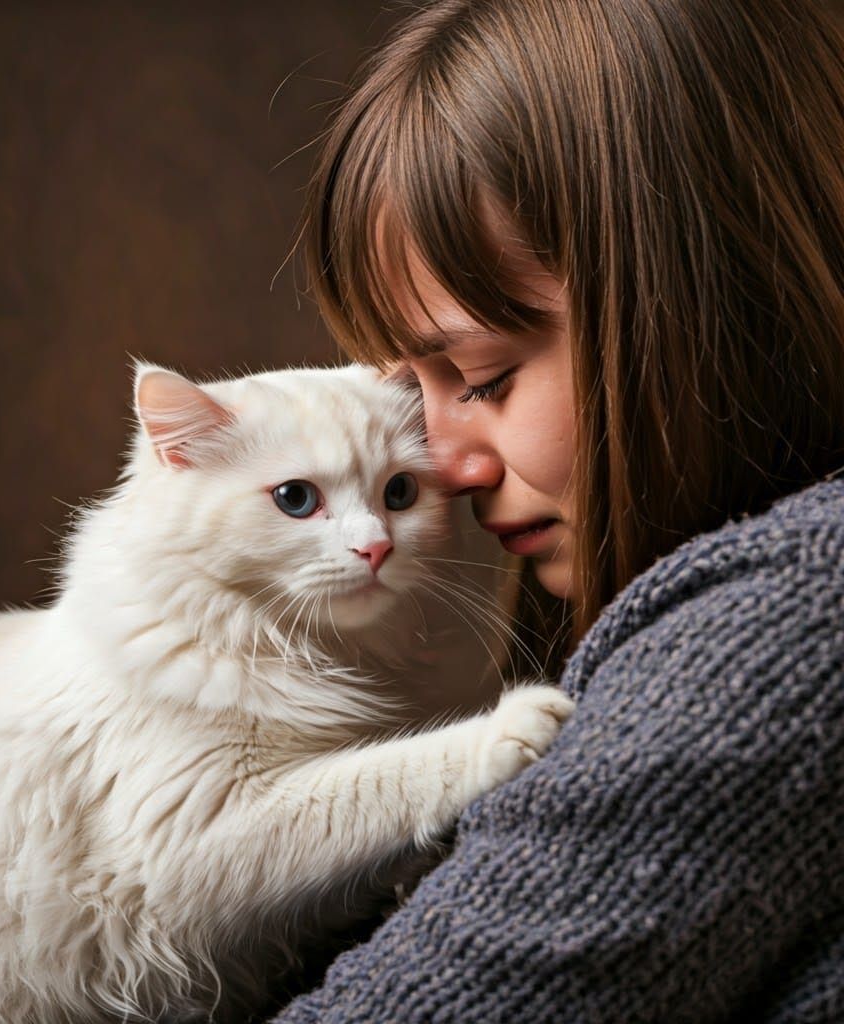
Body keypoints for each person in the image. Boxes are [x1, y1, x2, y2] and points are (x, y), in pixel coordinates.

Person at [272, 0, 844, 1020]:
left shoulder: (796, 623)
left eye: (482, 375)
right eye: (408, 389)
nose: (440, 465)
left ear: (715, 294)